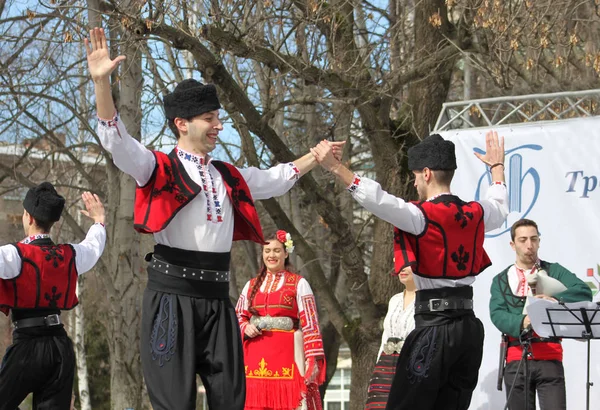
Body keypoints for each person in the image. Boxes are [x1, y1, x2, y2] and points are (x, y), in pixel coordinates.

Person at [85, 27, 342, 410]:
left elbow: (276, 179)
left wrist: (315, 157)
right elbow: (116, 141)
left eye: (218, 117)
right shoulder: (157, 167)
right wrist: (102, 84)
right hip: (173, 299)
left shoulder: (228, 175)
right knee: (174, 403)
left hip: (217, 300)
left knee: (231, 402)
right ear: (182, 123)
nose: (218, 126)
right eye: (210, 118)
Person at [311, 131, 509, 410]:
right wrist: (497, 169)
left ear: (426, 173)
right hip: (468, 330)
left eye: (416, 175)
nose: (415, 182)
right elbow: (499, 205)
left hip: (434, 327)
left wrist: (335, 167)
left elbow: (379, 200)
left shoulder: (420, 216)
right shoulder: (477, 213)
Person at [0, 183, 106, 410]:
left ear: (28, 217)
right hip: (59, 347)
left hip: (28, 346)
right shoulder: (70, 255)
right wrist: (98, 221)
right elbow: (93, 247)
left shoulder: (15, 255)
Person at [490, 219, 592, 410]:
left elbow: (583, 291)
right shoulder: (501, 279)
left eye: (534, 239)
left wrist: (557, 300)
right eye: (523, 240)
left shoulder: (554, 270)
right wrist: (524, 321)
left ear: (539, 241)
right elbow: (497, 314)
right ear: (512, 245)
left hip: (550, 357)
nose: (529, 245)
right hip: (516, 359)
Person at [236, 230, 326, 410]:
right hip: (253, 359)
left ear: (286, 253)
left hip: (287, 358)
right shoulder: (251, 285)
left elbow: (310, 324)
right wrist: (245, 326)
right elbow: (238, 316)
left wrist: (311, 359)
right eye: (267, 250)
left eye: (277, 250)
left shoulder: (299, 283)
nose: (271, 255)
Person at [365, 267, 416, 410]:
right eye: (400, 263)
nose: (402, 268)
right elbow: (385, 338)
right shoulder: (395, 299)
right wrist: (376, 371)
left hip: (410, 367)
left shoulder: (427, 301)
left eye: (407, 263)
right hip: (384, 367)